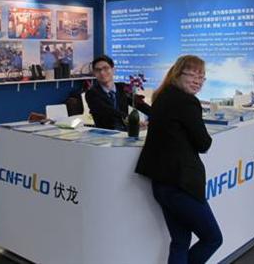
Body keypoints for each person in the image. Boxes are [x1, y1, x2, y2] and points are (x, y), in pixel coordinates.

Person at [135, 55, 222, 264]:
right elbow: (204, 143)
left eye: (201, 77)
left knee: (180, 242)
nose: (197, 81)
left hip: (161, 184)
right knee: (212, 238)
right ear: (178, 74)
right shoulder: (187, 101)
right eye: (192, 75)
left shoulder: (162, 96)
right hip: (181, 185)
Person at [85, 55, 151, 130]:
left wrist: (155, 115)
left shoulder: (123, 88)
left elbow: (139, 104)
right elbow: (107, 110)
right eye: (98, 70)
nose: (102, 72)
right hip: (105, 134)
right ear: (94, 73)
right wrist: (131, 119)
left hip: (125, 133)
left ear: (113, 70)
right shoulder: (91, 93)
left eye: (105, 68)